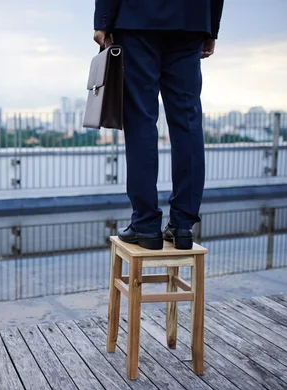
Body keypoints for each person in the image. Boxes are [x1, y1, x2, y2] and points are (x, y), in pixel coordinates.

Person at [93, 0, 224, 250]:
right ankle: (183, 225)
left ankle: (145, 223)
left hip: (136, 17)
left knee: (140, 119)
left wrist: (103, 21)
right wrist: (211, 28)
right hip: (191, 20)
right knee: (188, 121)